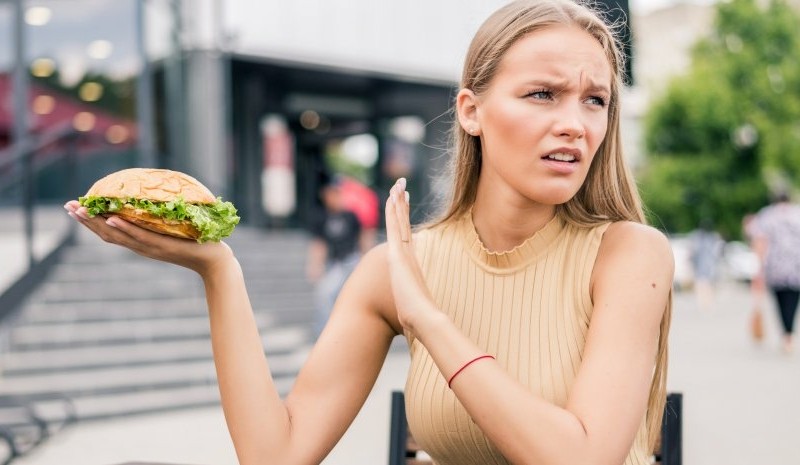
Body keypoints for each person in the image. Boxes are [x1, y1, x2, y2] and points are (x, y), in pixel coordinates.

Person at [64, 1, 674, 464]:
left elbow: (581, 458)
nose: (574, 123)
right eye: (543, 94)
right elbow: (277, 454)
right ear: (472, 111)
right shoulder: (398, 268)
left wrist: (430, 320)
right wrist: (218, 269)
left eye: (595, 101)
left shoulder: (629, 255)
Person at [306, 177, 364, 337]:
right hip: (334, 263)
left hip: (352, 260)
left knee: (346, 297)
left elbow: (363, 238)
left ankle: (346, 332)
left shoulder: (351, 216)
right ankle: (326, 333)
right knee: (324, 294)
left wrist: (366, 260)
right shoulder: (321, 216)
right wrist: (315, 266)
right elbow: (319, 244)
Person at [750, 191, 800, 354]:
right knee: (792, 302)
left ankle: (786, 335)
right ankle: (788, 335)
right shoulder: (797, 214)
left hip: (775, 268)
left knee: (780, 302)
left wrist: (759, 267)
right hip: (796, 268)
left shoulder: (767, 215)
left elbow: (760, 241)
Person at [688, 218, 724, 310]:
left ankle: (704, 302)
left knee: (702, 285)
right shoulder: (712, 239)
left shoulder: (699, 238)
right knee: (706, 284)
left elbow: (693, 253)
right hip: (707, 266)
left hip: (703, 266)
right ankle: (706, 302)